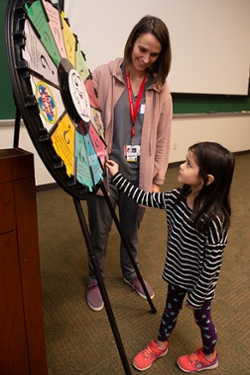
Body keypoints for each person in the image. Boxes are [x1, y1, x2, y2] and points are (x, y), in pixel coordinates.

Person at [105, 141, 235, 373]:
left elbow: (212, 264)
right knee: (170, 309)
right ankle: (161, 344)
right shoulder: (176, 198)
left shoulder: (215, 219)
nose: (181, 167)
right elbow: (145, 198)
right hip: (176, 273)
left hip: (199, 284)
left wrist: (198, 294)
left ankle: (208, 356)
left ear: (207, 179)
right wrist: (116, 176)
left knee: (202, 319)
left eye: (189, 164)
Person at [86, 15, 173, 311]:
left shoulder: (160, 88)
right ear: (132, 41)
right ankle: (94, 278)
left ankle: (130, 273)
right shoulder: (103, 74)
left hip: (140, 175)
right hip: (105, 172)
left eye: (154, 54)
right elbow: (83, 121)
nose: (145, 58)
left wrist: (157, 180)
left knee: (131, 230)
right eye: (142, 49)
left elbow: (163, 137)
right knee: (100, 229)